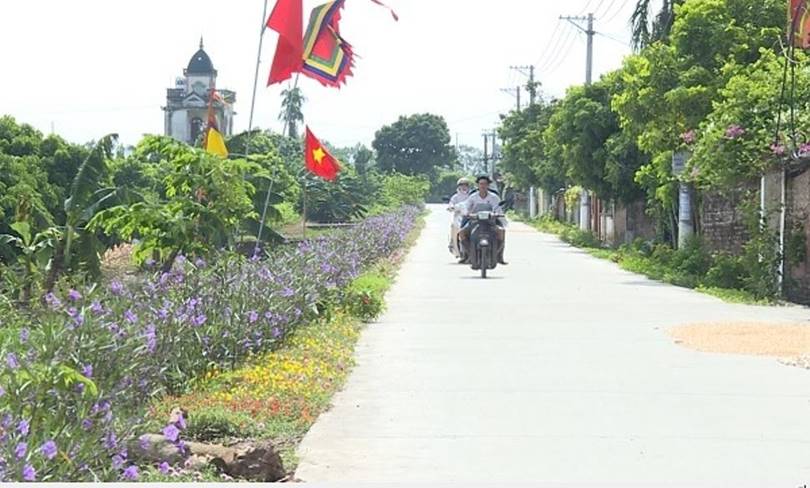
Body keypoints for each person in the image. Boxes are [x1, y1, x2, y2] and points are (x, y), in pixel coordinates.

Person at [458, 175, 508, 265]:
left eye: (485, 184)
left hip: (491, 222)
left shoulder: (494, 197)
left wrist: (497, 214)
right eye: (481, 184)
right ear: (477, 185)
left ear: (488, 185)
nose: (483, 186)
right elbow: (466, 206)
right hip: (475, 222)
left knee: (501, 231)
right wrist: (467, 213)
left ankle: (499, 255)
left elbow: (498, 209)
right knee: (462, 233)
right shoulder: (472, 197)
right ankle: (468, 254)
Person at [447, 178, 471, 256]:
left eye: (466, 185)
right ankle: (453, 244)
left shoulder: (472, 195)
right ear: (459, 186)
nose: (464, 187)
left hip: (470, 216)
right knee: (453, 226)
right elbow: (451, 203)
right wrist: (451, 207)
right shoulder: (455, 197)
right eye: (462, 185)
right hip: (459, 217)